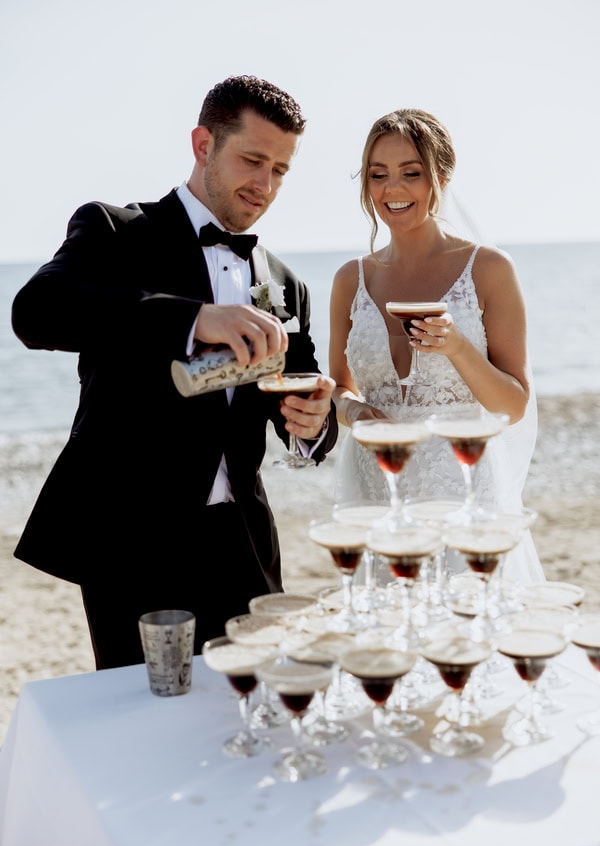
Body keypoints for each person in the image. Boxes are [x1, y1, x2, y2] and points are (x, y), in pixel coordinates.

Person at [11, 75, 338, 669]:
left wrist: (313, 421)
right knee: (144, 720)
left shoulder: (287, 284)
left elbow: (303, 397)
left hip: (244, 543)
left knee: (250, 709)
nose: (265, 185)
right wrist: (192, 319)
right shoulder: (117, 231)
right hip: (133, 542)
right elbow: (36, 314)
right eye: (253, 160)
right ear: (202, 144)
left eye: (282, 170)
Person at [329, 108, 543, 584]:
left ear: (441, 177)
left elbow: (513, 406)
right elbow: (337, 390)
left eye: (412, 173)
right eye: (378, 174)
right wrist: (357, 414)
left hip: (463, 493)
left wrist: (458, 349)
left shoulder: (488, 269)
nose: (393, 189)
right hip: (375, 490)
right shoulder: (350, 280)